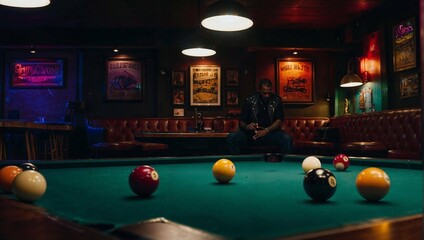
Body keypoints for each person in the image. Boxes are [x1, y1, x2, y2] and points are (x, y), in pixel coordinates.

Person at [227, 78, 293, 154]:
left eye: (269, 93)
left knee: (287, 138)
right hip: (252, 135)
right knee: (232, 137)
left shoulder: (277, 100)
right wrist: (248, 126)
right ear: (259, 91)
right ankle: (237, 162)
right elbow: (242, 121)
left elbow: (279, 120)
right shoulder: (250, 100)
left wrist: (266, 130)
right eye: (264, 93)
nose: (267, 95)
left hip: (270, 134)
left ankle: (284, 164)